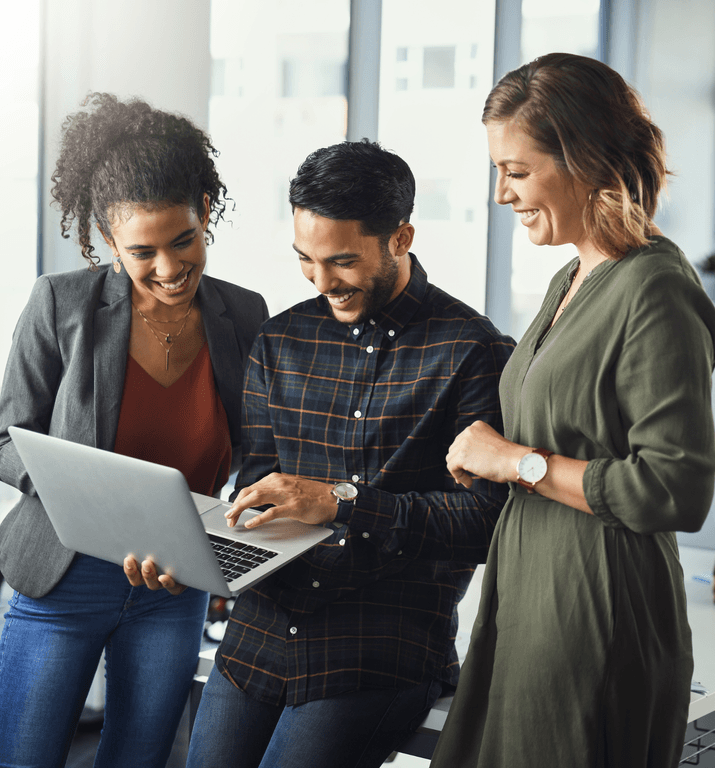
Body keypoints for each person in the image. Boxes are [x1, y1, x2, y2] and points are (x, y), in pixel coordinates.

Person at [170, 139, 515, 767]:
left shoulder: (473, 351)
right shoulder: (281, 338)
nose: (323, 282)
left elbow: (485, 527)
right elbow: (255, 490)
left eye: (343, 261)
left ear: (401, 238)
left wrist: (343, 504)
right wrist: (205, 553)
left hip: (378, 645)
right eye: (306, 259)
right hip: (260, 633)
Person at [430, 53, 715, 768]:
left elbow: (674, 488)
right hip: (529, 596)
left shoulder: (653, 289)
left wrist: (517, 462)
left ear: (586, 159)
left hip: (597, 608)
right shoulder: (572, 274)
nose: (502, 195)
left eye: (518, 171)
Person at [0, 93, 268, 768]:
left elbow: (261, 451)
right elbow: (4, 444)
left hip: (173, 586)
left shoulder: (245, 313)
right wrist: (100, 504)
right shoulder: (59, 305)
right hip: (64, 575)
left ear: (205, 210)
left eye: (184, 241)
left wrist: (236, 536)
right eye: (142, 251)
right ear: (106, 242)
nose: (169, 269)